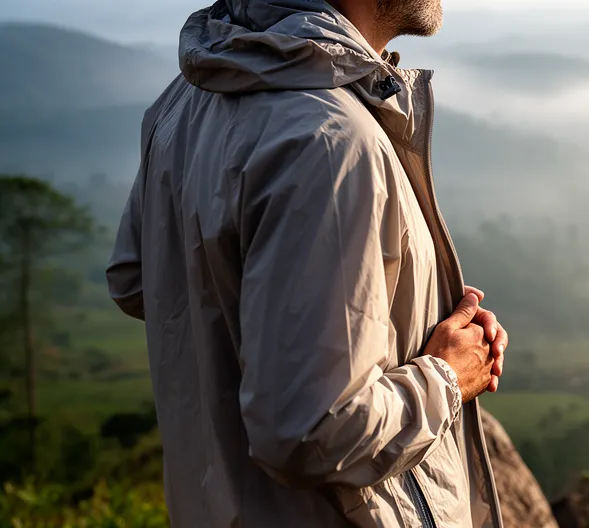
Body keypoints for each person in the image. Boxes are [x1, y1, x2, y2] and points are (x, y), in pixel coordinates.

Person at [106, 0, 508, 526]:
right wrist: (449, 376)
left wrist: (398, 320)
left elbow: (135, 279)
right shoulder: (329, 143)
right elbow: (311, 428)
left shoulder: (187, 99)